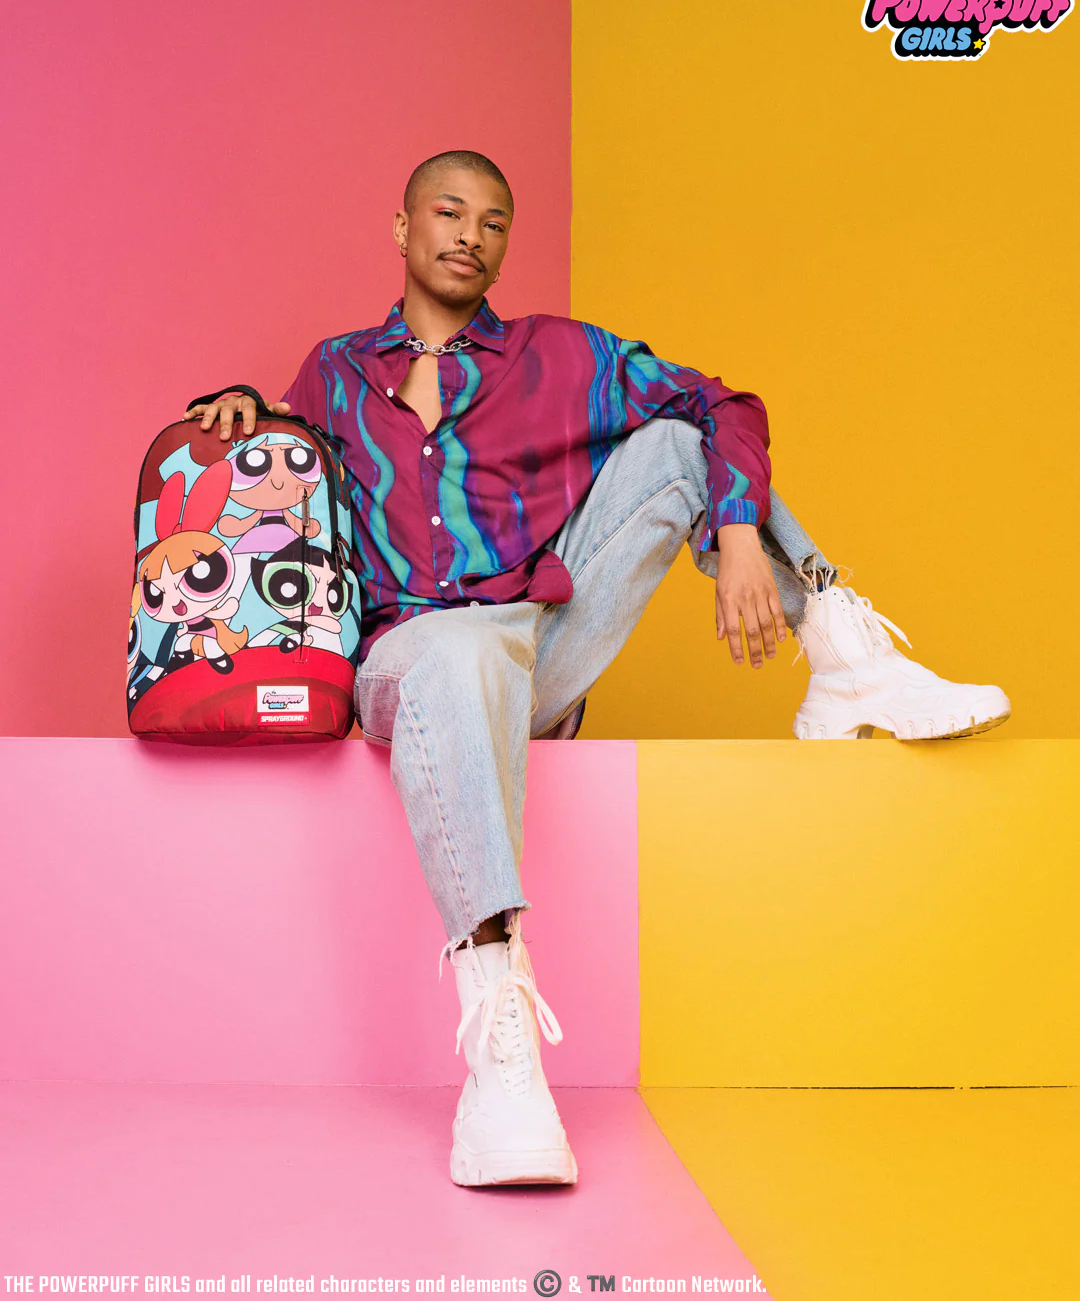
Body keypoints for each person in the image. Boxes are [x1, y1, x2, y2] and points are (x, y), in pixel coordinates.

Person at [184, 150, 1010, 1189]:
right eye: (448, 212)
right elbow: (287, 479)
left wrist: (738, 534)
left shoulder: (557, 355)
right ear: (402, 228)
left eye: (493, 221)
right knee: (452, 646)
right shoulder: (336, 369)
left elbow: (723, 405)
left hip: (537, 649)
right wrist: (249, 410)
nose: (469, 234)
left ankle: (842, 653)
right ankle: (503, 1047)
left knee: (679, 442)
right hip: (409, 667)